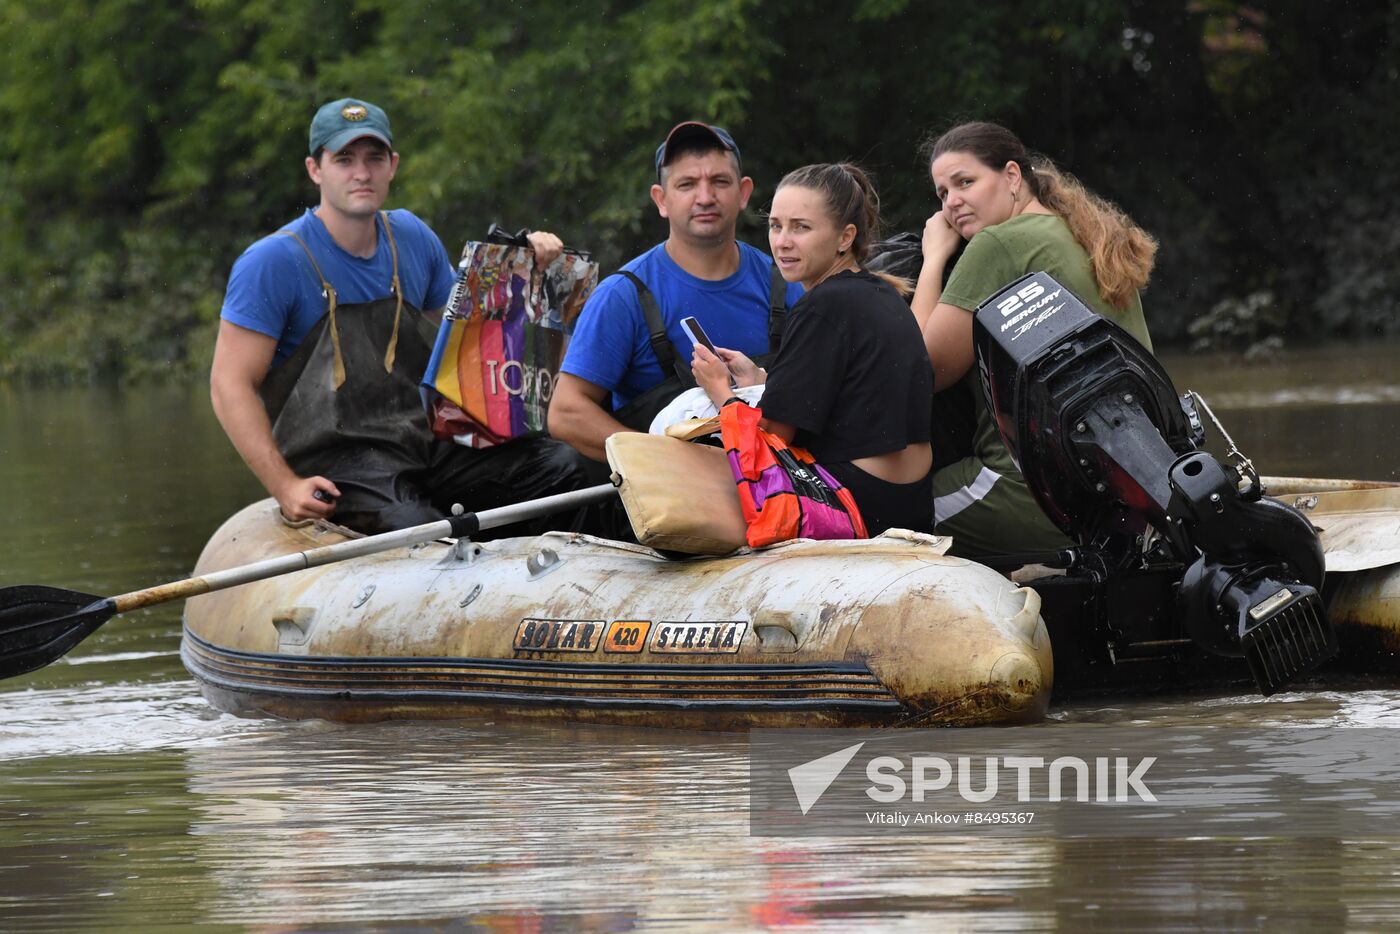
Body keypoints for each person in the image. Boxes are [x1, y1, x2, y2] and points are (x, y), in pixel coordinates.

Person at [210, 97, 592, 535]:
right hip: (339, 460)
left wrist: (527, 269)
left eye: (374, 158)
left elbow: (479, 336)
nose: (361, 172)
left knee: (561, 466)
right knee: (416, 529)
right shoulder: (271, 262)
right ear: (316, 170)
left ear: (392, 165)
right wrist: (285, 486)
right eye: (344, 159)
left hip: (423, 440)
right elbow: (229, 385)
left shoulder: (411, 235)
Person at [912, 120, 1158, 556]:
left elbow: (922, 372)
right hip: (1127, 495)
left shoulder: (998, 243)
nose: (952, 203)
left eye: (965, 182)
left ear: (1011, 176)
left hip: (1035, 497)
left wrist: (933, 259)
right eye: (942, 194)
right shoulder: (1083, 232)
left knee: (887, 510)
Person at [690, 163, 934, 536]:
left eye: (801, 227)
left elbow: (771, 442)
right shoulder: (881, 292)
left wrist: (719, 389)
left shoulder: (822, 305)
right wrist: (760, 380)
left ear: (844, 237)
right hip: (911, 501)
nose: (782, 241)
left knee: (709, 475)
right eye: (775, 225)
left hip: (861, 504)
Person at [548, 121, 802, 463]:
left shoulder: (788, 285)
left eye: (719, 182)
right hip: (669, 507)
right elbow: (566, 413)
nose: (705, 197)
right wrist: (665, 465)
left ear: (743, 193)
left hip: (778, 495)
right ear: (661, 199)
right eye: (687, 184)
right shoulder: (623, 297)